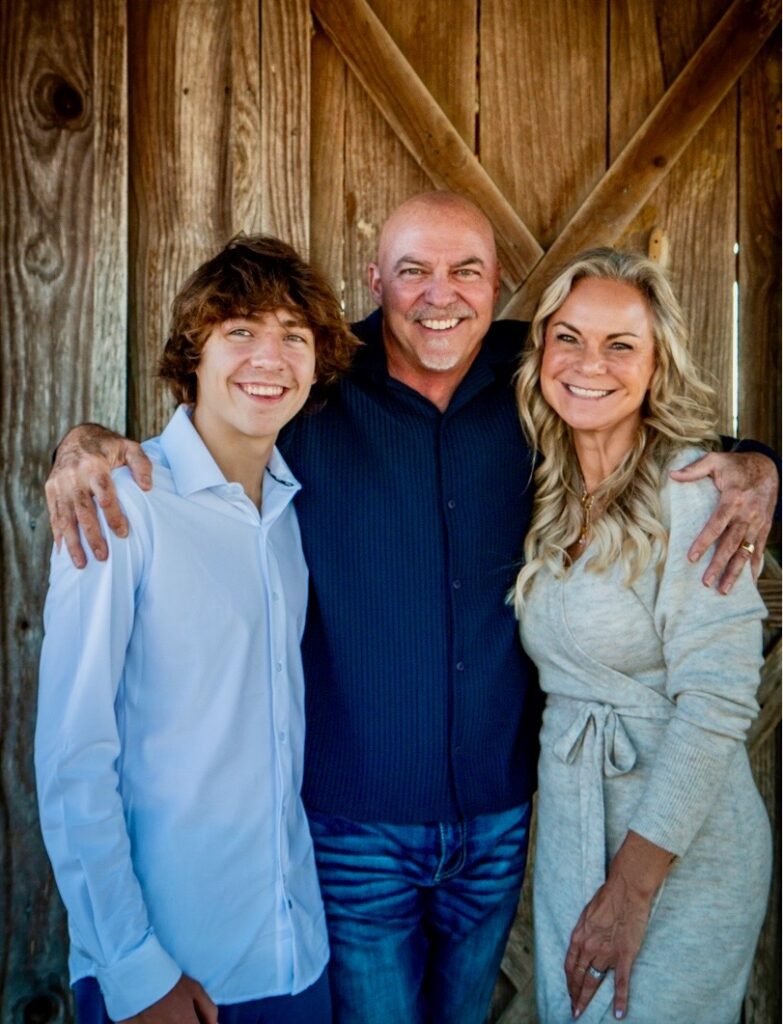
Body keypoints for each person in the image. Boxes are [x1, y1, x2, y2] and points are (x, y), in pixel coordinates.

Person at [44, 194, 779, 1024]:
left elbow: (658, 431)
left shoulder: (539, 379)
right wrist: (85, 440)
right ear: (374, 282)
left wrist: (758, 463)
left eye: (466, 271)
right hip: (353, 832)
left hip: (499, 825)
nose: (441, 295)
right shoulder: (310, 388)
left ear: (499, 286)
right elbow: (205, 431)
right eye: (412, 272)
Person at [35, 236, 358, 1024]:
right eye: (240, 330)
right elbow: (73, 755)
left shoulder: (285, 516)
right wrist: (134, 968)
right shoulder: (120, 504)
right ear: (194, 354)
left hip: (293, 959)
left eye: (294, 335)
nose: (269, 356)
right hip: (165, 974)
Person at [511, 248, 772, 1023]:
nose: (589, 363)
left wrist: (630, 891)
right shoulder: (553, 493)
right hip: (573, 829)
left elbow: (719, 700)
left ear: (656, 365)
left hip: (677, 848)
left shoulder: (694, 494)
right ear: (540, 351)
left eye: (620, 344)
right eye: (568, 337)